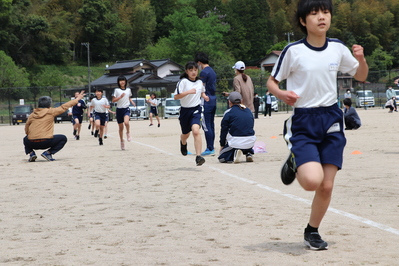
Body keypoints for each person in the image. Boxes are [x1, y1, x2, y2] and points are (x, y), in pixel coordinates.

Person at [266, 0, 368, 251]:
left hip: (332, 119)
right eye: (314, 14)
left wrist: (360, 59)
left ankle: (312, 231)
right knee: (312, 181)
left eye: (325, 12)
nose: (321, 17)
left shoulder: (337, 48)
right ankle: (294, 161)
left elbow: (361, 75)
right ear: (303, 21)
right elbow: (272, 82)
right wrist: (282, 94)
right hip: (303, 120)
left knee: (327, 185)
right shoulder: (293, 51)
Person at [23, 91, 85, 162]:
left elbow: (26, 127)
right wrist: (77, 99)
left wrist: (30, 135)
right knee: (63, 138)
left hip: (32, 143)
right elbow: (64, 106)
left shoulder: (32, 115)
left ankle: (31, 153)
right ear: (49, 105)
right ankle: (48, 153)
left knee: (25, 138)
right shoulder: (51, 111)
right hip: (46, 142)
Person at [174, 61, 209, 166]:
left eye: (195, 70)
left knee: (196, 131)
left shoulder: (199, 82)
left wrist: (204, 96)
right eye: (191, 70)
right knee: (185, 134)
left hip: (196, 109)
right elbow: (176, 96)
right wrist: (188, 92)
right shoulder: (183, 82)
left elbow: (201, 91)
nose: (193, 72)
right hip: (185, 111)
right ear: (186, 71)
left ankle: (198, 156)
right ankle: (183, 143)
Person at [218, 92, 256, 163]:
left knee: (221, 158)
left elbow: (224, 130)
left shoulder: (228, 112)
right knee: (245, 132)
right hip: (250, 141)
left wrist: (222, 144)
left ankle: (235, 153)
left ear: (229, 102)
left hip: (235, 142)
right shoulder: (249, 111)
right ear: (241, 101)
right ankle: (249, 152)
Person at [195, 52, 217, 156]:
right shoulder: (212, 71)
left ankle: (209, 147)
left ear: (199, 62)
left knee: (206, 125)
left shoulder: (204, 73)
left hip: (206, 100)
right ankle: (211, 146)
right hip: (213, 99)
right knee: (211, 124)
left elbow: (201, 87)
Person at [112, 75, 136, 150]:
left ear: (125, 81)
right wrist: (120, 97)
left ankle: (128, 133)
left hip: (126, 108)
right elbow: (113, 100)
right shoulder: (116, 90)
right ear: (118, 82)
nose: (122, 82)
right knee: (121, 127)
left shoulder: (128, 90)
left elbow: (128, 97)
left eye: (123, 80)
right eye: (120, 80)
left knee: (126, 122)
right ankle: (122, 141)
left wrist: (131, 101)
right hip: (119, 109)